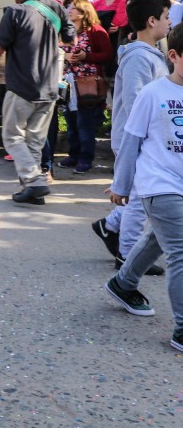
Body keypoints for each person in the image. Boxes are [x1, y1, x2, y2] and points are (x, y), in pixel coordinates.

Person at [103, 22, 183, 352]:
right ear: (174, 56)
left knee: (156, 239)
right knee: (181, 250)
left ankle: (124, 283)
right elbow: (132, 141)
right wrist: (121, 185)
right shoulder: (154, 93)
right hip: (158, 184)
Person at [92, 0, 171, 271]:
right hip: (135, 138)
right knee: (138, 198)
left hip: (145, 138)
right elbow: (138, 101)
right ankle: (127, 255)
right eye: (166, 17)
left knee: (140, 194)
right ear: (152, 21)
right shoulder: (139, 56)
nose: (169, 22)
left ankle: (110, 225)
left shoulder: (149, 54)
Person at [0, 0, 75, 205]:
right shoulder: (56, 8)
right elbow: (71, 39)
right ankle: (31, 190)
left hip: (22, 86)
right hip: (49, 86)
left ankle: (34, 181)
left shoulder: (14, 12)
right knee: (34, 140)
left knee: (12, 137)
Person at [57, 0, 113, 174]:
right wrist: (65, 57)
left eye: (73, 8)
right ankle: (73, 154)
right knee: (71, 121)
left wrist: (85, 57)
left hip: (87, 83)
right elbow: (57, 50)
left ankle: (85, 158)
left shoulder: (96, 31)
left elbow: (108, 55)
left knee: (84, 123)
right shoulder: (67, 31)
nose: (69, 11)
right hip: (68, 83)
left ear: (83, 12)